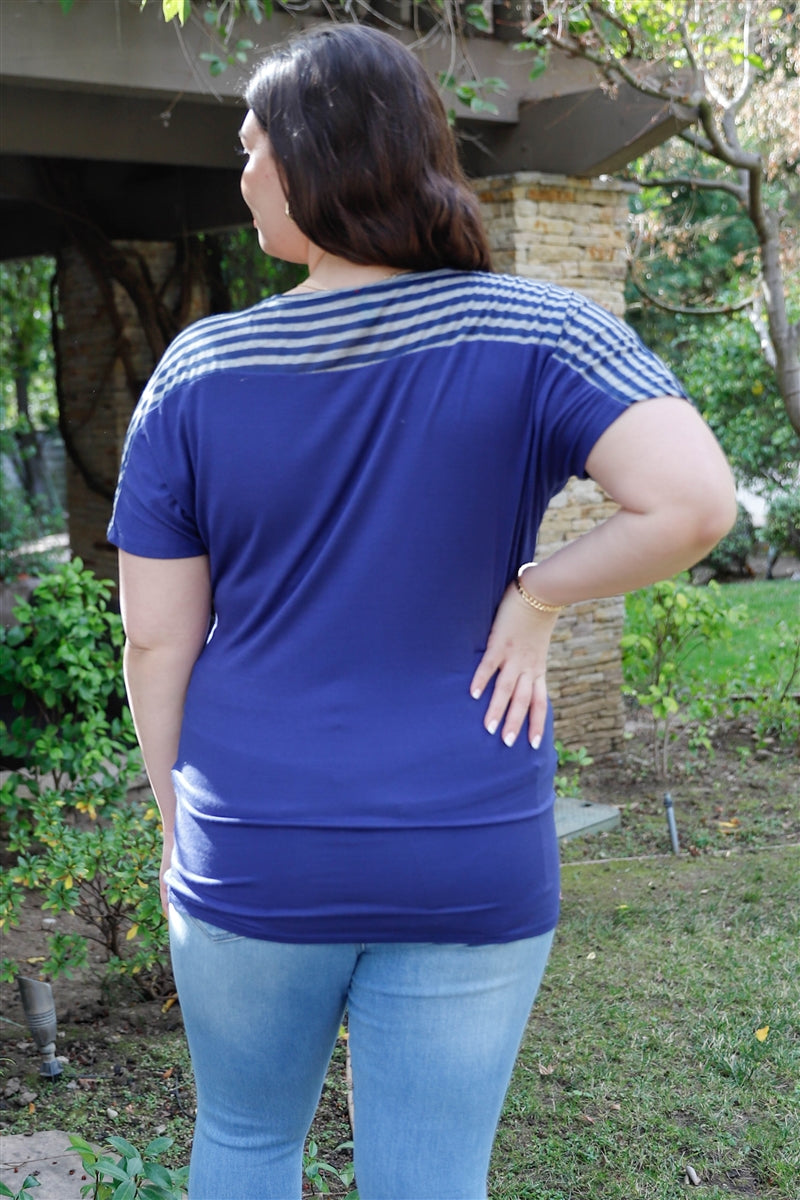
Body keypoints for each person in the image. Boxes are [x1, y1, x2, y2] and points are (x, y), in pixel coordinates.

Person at [107, 23, 736, 1200]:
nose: (240, 176)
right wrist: (537, 594)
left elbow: (155, 636)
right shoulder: (539, 329)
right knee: (431, 1176)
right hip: (466, 839)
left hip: (254, 838)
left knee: (244, 1142)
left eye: (249, 147)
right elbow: (695, 503)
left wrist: (177, 818)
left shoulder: (198, 372)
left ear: (309, 156)